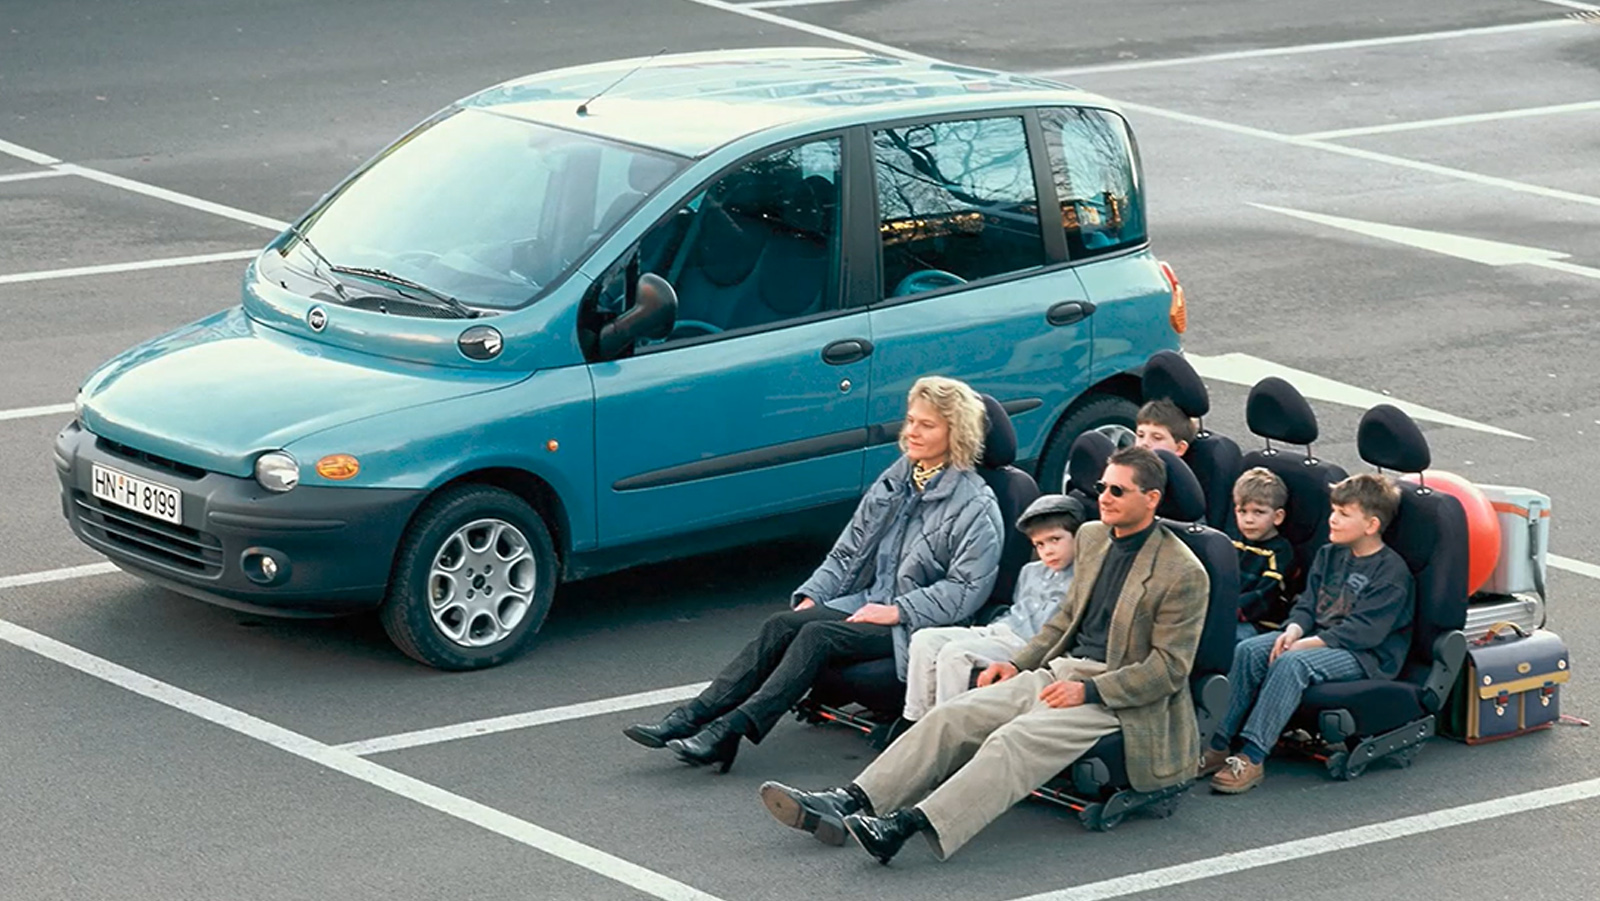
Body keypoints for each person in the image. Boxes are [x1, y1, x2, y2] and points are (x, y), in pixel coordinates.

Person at [759, 446, 1209, 864]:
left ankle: (904, 825)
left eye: (1117, 490)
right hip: (1058, 672)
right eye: (1102, 488)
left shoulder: (1183, 572)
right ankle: (848, 800)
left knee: (1011, 741)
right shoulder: (1093, 537)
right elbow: (1063, 619)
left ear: (1151, 498)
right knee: (951, 716)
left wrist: (1089, 690)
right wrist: (1016, 664)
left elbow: (1168, 670)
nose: (1104, 497)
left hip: (1119, 698)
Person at [623, 376, 1004, 773]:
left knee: (817, 635)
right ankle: (690, 716)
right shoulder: (896, 480)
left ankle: (729, 732)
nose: (911, 432)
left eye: (926, 425)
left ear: (955, 432)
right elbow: (847, 551)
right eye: (910, 421)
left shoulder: (976, 504)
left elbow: (966, 589)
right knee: (783, 623)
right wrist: (814, 597)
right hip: (868, 602)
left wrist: (897, 611)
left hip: (918, 625)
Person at [1202, 473, 1413, 794]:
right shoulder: (1330, 554)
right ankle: (1218, 744)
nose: (1333, 519)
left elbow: (1363, 633)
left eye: (1343, 514)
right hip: (1318, 636)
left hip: (1364, 655)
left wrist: (1304, 645)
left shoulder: (1391, 573)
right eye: (1333, 511)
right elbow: (1307, 602)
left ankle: (1253, 755)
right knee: (1249, 651)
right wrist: (1292, 631)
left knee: (1291, 664)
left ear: (1370, 525)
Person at [900, 493, 1087, 723]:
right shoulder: (1031, 571)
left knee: (955, 655)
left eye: (1055, 540)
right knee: (924, 639)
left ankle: (950, 727)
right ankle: (916, 720)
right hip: (999, 630)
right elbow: (1017, 608)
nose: (1047, 550)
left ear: (1079, 537)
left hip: (1027, 644)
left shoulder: (1084, 576)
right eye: (1039, 544)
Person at [1230, 467, 1295, 641]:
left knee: (1227, 636)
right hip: (1227, 612)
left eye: (1258, 512)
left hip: (1261, 623)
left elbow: (1264, 597)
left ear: (1278, 517)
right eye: (1242, 511)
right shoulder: (1233, 541)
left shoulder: (1279, 552)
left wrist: (1225, 610)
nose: (1248, 520)